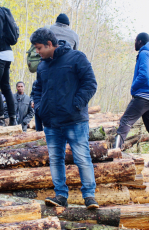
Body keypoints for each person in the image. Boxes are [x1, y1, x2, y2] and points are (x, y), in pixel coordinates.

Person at [31, 28, 98, 209]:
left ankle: (89, 196)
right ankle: (60, 195)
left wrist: (76, 105)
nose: (37, 52)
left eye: (39, 48)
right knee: (55, 159)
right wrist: (39, 107)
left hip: (74, 120)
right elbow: (37, 89)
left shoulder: (76, 58)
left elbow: (90, 83)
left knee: (82, 158)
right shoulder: (43, 65)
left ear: (50, 44)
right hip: (51, 123)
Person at [112, 32, 149, 169]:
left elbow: (144, 75)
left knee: (125, 122)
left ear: (140, 41)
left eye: (135, 40)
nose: (134, 43)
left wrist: (133, 87)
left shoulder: (145, 53)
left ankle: (114, 156)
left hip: (144, 95)